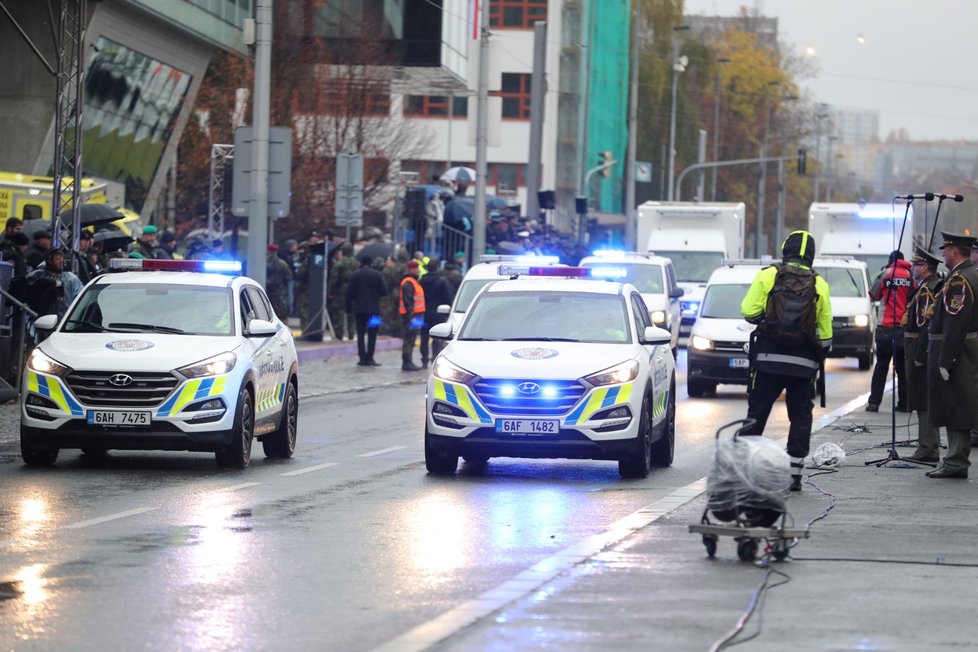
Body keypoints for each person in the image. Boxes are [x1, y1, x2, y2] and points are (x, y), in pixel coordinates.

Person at [740, 230, 833, 492]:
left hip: (768, 359)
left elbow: (748, 311)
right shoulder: (820, 284)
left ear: (786, 249)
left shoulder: (769, 275)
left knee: (757, 413)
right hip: (803, 365)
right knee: (801, 415)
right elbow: (826, 336)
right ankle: (794, 472)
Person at [924, 231, 978, 479]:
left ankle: (956, 461)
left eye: (946, 249)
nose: (944, 254)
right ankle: (954, 459)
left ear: (955, 250)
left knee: (957, 404)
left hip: (959, 350)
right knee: (956, 403)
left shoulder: (960, 281)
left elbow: (957, 322)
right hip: (962, 349)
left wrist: (948, 359)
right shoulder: (966, 275)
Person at [902, 246, 944, 463]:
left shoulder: (927, 290)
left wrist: (919, 355)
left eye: (916, 265)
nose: (912, 268)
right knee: (922, 399)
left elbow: (923, 326)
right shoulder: (924, 287)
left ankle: (927, 448)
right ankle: (928, 445)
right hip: (919, 350)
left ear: (925, 267)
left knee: (923, 400)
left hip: (920, 352)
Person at [866, 250, 915, 412]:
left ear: (890, 261)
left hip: (885, 328)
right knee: (902, 368)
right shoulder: (911, 277)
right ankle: (905, 403)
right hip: (904, 329)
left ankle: (874, 403)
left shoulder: (885, 274)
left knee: (881, 366)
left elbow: (873, 295)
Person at [347, 253, 388, 366]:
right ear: (371, 263)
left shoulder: (355, 275)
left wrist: (349, 307)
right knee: (373, 334)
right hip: (374, 310)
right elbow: (384, 291)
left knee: (360, 334)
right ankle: (370, 358)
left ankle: (362, 358)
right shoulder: (377, 275)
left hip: (359, 310)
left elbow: (349, 292)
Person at [24, 248, 83, 322]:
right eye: (58, 259)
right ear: (49, 260)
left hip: (64, 322)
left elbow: (80, 297)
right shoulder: (37, 276)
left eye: (62, 258)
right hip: (41, 321)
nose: (61, 261)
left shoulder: (71, 278)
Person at [419, 256, 455, 368]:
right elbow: (448, 297)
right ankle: (434, 358)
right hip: (439, 313)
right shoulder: (442, 281)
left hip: (423, 313)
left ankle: (424, 360)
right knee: (437, 338)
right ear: (437, 268)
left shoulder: (421, 281)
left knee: (424, 338)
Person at [398, 259, 425, 371]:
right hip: (411, 316)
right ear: (411, 269)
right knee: (409, 339)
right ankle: (407, 362)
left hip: (415, 315)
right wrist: (411, 317)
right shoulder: (408, 282)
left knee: (412, 338)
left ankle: (409, 361)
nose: (418, 270)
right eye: (416, 268)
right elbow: (408, 301)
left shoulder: (414, 281)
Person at [265, 243, 293, 319]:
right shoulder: (282, 263)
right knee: (281, 314)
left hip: (266, 291)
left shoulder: (262, 262)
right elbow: (289, 276)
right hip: (279, 291)